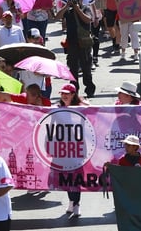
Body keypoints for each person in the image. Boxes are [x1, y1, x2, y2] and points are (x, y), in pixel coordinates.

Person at [56, 0, 96, 97]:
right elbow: (57, 16)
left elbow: (88, 20)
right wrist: (66, 6)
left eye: (77, 0)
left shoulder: (85, 9)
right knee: (73, 69)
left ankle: (89, 89)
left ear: (81, 1)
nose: (75, 2)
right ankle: (74, 90)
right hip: (72, 45)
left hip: (84, 44)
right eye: (74, 0)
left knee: (86, 69)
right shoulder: (68, 11)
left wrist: (77, 9)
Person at [58, 83, 89, 217]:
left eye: (67, 93)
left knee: (76, 177)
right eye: (62, 93)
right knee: (66, 176)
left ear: (73, 95)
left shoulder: (82, 108)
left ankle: (76, 203)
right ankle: (71, 200)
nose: (64, 96)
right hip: (62, 148)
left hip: (78, 148)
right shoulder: (57, 108)